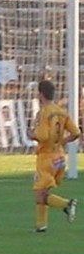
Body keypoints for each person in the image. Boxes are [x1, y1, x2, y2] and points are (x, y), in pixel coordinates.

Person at [27, 79, 80, 233]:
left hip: (46, 158)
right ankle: (41, 226)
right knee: (43, 192)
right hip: (60, 158)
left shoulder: (44, 112)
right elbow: (76, 133)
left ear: (40, 94)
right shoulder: (61, 111)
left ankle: (66, 204)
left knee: (39, 195)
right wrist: (62, 141)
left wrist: (32, 135)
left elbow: (43, 136)